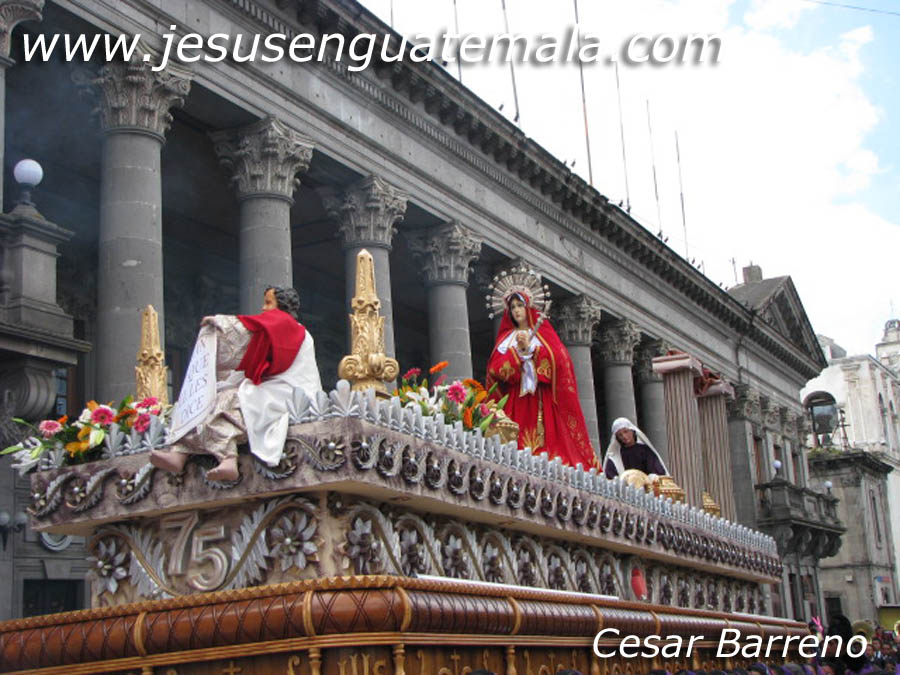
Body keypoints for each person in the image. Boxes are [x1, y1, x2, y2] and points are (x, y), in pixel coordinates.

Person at [150, 286, 322, 481]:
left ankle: (228, 459)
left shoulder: (288, 327)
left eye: (268, 303)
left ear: (282, 306)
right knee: (208, 398)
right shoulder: (281, 328)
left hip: (286, 391)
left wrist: (220, 323)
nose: (263, 308)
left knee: (229, 399)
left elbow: (246, 331)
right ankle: (179, 454)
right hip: (269, 386)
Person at [485, 291, 597, 469]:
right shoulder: (507, 339)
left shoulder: (542, 334)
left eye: (520, 306)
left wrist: (533, 351)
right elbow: (495, 368)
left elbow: (560, 360)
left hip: (540, 397)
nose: (516, 310)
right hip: (515, 397)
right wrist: (517, 355)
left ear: (528, 307)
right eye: (512, 307)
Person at [603, 417, 668, 479]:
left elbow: (657, 471)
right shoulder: (615, 457)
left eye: (626, 431)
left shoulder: (645, 451)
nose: (624, 436)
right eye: (620, 435)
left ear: (632, 431)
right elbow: (610, 477)